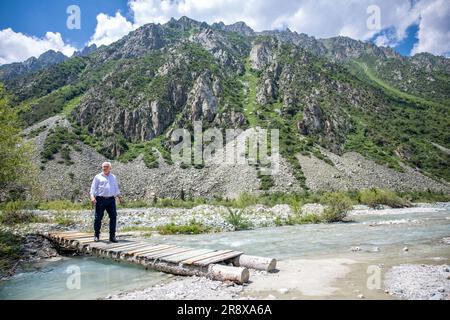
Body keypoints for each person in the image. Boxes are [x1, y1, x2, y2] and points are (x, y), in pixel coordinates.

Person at [89, 162, 123, 242]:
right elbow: (93, 188)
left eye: (106, 167)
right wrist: (92, 197)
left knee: (113, 217)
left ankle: (112, 236)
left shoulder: (113, 177)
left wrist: (119, 196)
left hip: (111, 199)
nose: (104, 168)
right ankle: (96, 235)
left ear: (110, 168)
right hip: (100, 199)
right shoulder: (98, 177)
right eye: (103, 167)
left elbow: (116, 188)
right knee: (98, 218)